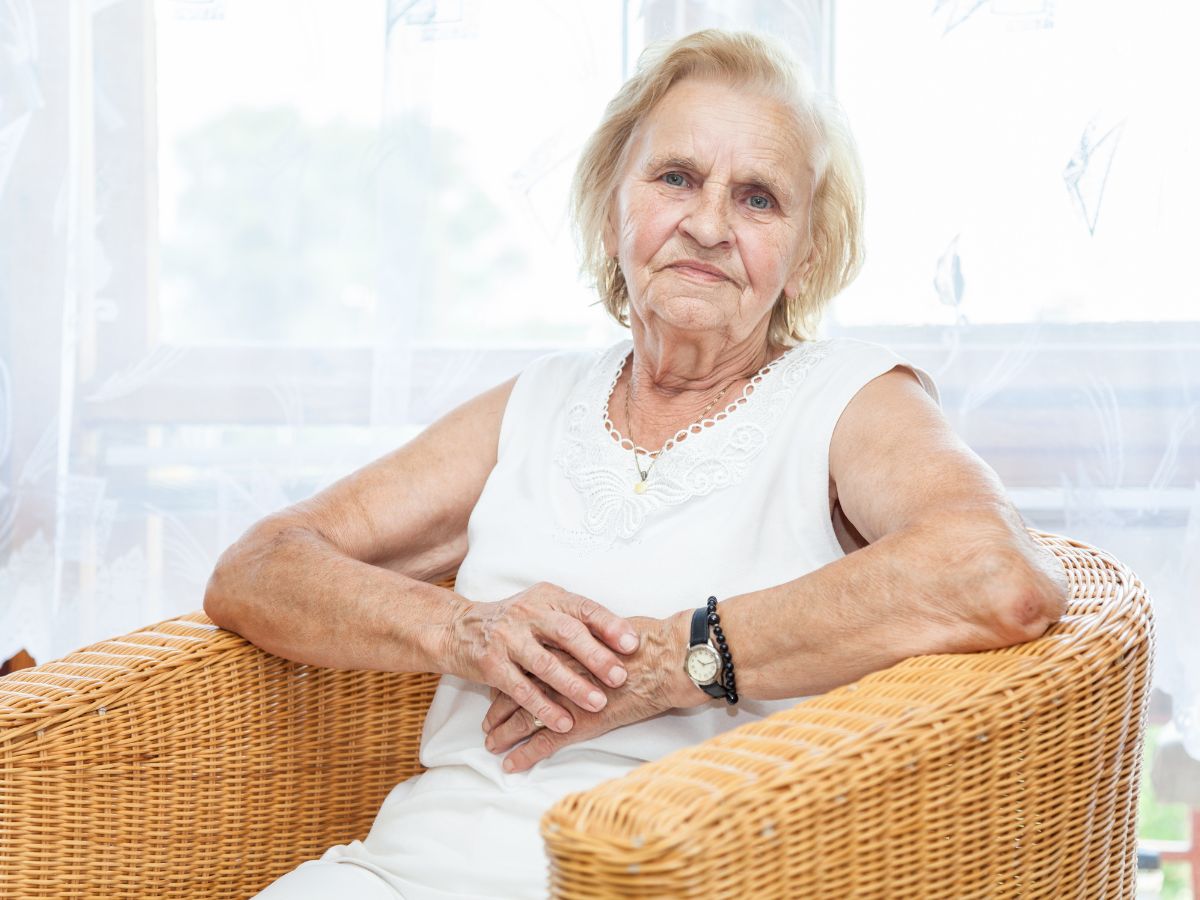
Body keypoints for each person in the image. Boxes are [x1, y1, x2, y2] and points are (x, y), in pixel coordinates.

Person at [206, 28, 1069, 900]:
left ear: (805, 258)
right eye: (676, 178)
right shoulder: (538, 402)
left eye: (759, 199)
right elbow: (257, 568)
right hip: (403, 875)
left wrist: (676, 660)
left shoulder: (849, 398)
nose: (707, 224)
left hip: (661, 878)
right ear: (614, 206)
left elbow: (996, 574)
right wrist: (460, 630)